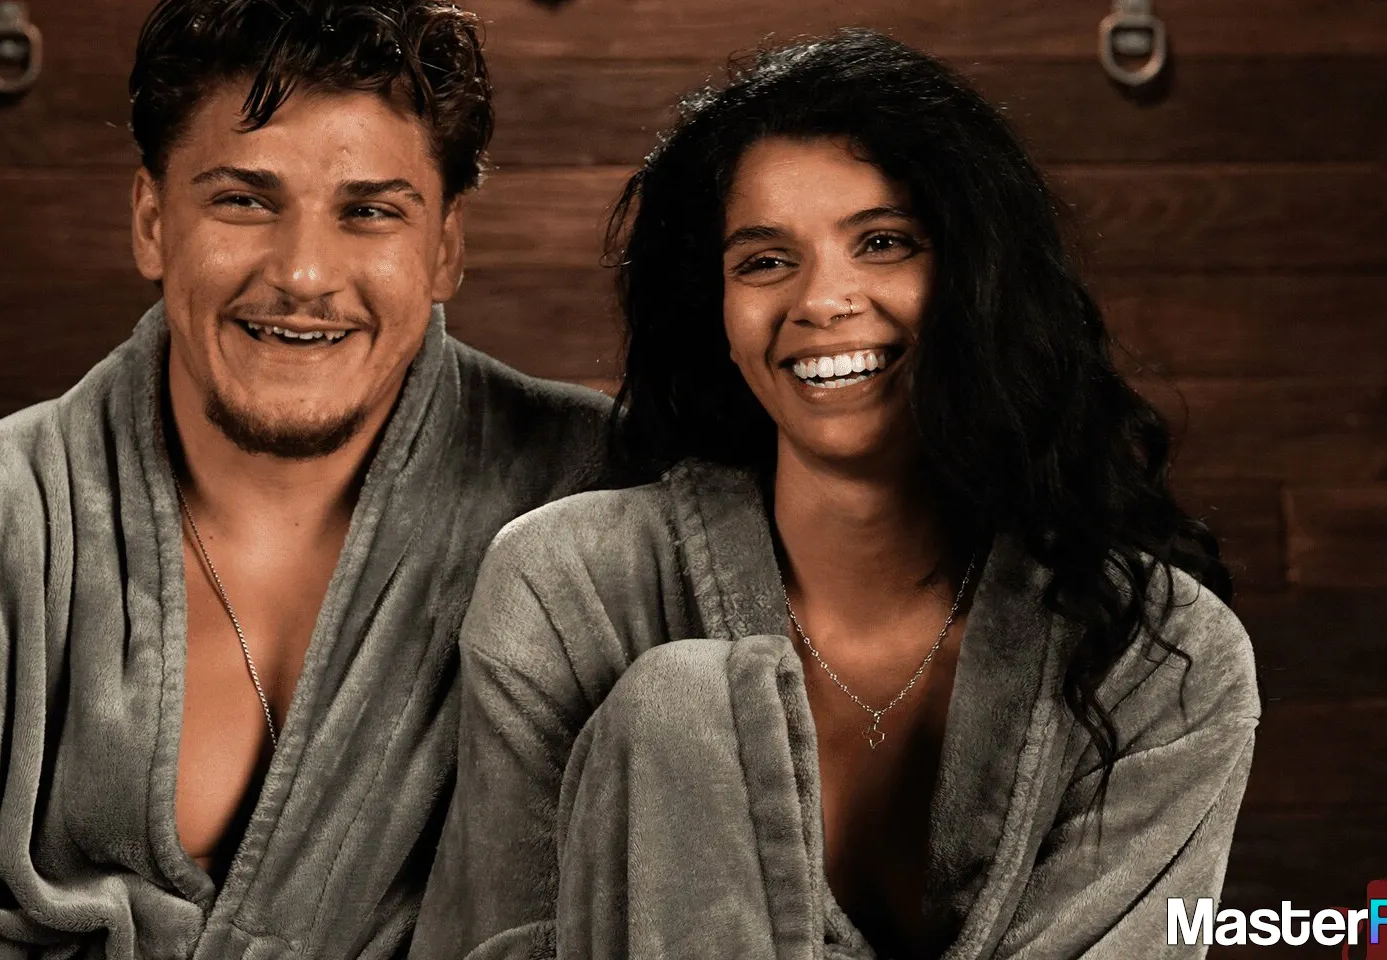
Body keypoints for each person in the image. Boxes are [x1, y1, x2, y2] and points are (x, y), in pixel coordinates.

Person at [0, 1, 610, 957]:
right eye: (244, 201)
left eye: (368, 212)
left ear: (444, 247)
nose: (304, 273)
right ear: (153, 222)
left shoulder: (598, 496)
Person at [416, 30, 1259, 960]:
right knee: (680, 703)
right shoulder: (567, 587)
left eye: (883, 243)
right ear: (716, 311)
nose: (823, 300)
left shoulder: (1163, 653)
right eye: (764, 260)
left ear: (978, 276)